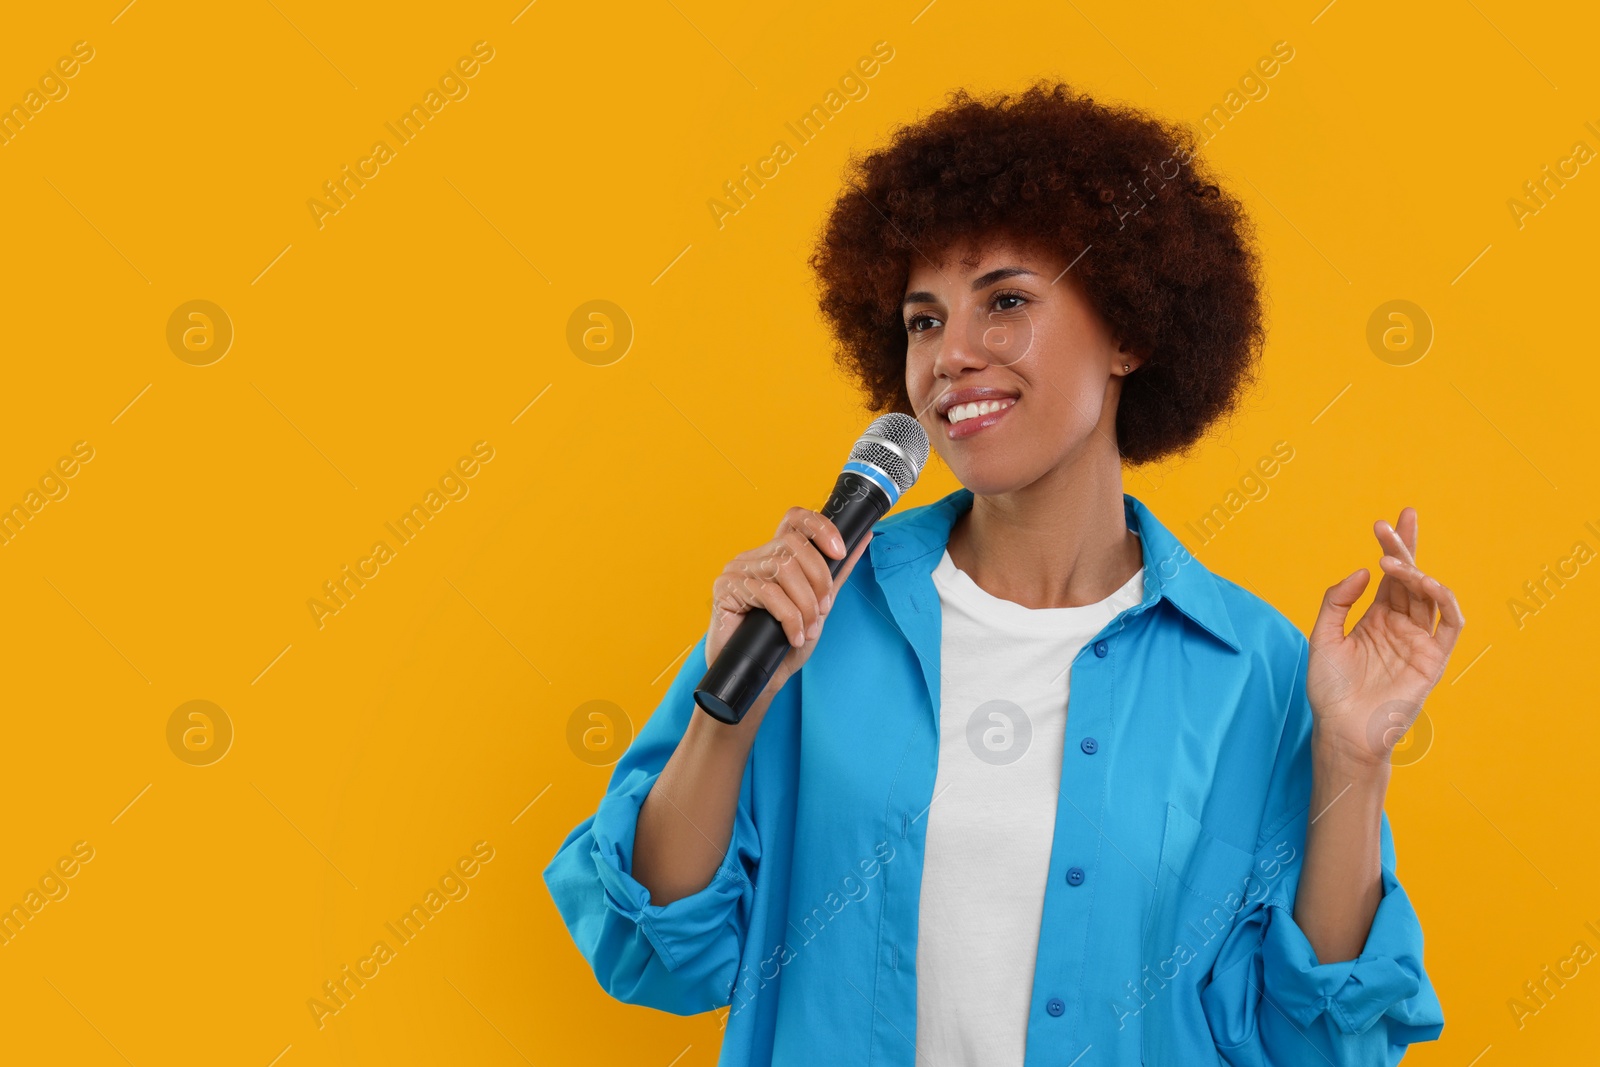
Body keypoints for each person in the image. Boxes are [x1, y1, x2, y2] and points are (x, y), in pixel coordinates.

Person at [544, 81, 1461, 1066]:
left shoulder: (1255, 669)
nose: (952, 357)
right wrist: (729, 713)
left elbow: (1314, 1038)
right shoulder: (811, 610)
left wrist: (1354, 762)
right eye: (923, 321)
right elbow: (657, 952)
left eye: (1006, 302)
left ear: (1128, 332)